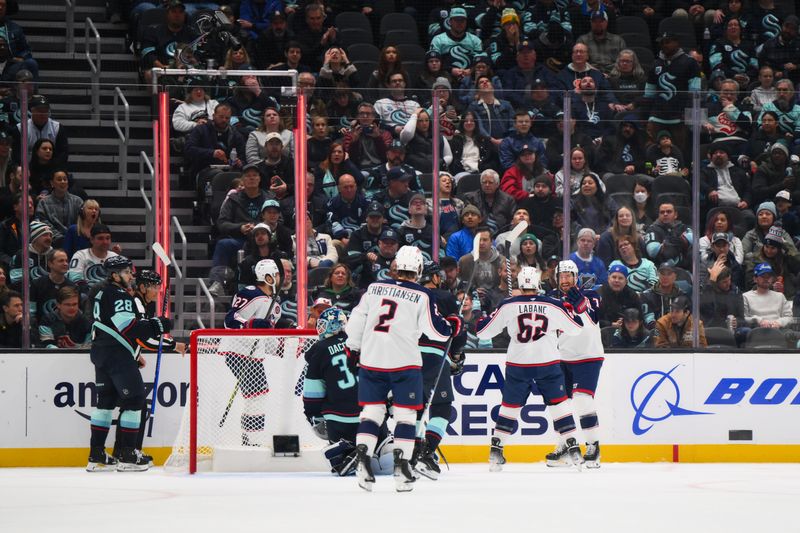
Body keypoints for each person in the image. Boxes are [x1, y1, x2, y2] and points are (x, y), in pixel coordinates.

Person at [345, 246, 454, 492]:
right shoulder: (421, 294)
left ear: (396, 266)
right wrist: (452, 326)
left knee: (372, 412)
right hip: (404, 363)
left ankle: (363, 459)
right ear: (418, 269)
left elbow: (356, 321)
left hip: (372, 359)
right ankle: (402, 468)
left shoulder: (373, 289)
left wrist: (352, 348)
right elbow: (436, 331)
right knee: (406, 415)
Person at [476, 266, 586, 472]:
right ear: (538, 284)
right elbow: (576, 328)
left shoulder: (508, 304)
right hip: (548, 362)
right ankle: (572, 447)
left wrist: (482, 314)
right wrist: (570, 310)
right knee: (558, 404)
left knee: (510, 405)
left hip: (518, 363)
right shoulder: (553, 304)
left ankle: (496, 449)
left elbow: (483, 332)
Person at [86, 256, 172, 472]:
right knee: (134, 400)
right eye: (126, 272)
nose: (131, 275)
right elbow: (130, 328)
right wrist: (157, 325)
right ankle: (128, 455)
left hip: (100, 352)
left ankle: (96, 455)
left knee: (105, 402)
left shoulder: (99, 292)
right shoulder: (119, 295)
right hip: (117, 354)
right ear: (115, 275)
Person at [303, 307, 392, 477]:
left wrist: (314, 417)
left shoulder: (319, 350)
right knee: (385, 451)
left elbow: (312, 394)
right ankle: (385, 449)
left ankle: (346, 453)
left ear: (331, 326)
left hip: (339, 420)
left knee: (336, 456)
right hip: (371, 416)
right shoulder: (365, 343)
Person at [546, 260, 604, 468]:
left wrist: (579, 303)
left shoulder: (591, 296)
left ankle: (593, 446)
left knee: (582, 399)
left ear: (576, 276)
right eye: (562, 276)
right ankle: (563, 446)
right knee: (559, 403)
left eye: (569, 276)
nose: (565, 280)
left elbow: (592, 318)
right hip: (561, 356)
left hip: (588, 355)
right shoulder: (550, 298)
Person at [413, 261, 467, 480]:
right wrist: (455, 354)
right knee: (442, 405)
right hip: (435, 355)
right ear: (434, 278)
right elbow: (458, 330)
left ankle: (411, 450)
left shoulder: (412, 294)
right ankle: (427, 452)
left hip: (408, 355)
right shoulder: (444, 297)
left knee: (414, 405)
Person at [220, 259, 283, 447]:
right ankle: (252, 438)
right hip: (237, 350)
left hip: (254, 355)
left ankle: (248, 437)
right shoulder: (250, 293)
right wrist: (250, 324)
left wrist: (283, 348)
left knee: (256, 394)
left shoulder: (274, 304)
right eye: (277, 274)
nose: (280, 278)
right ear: (268, 276)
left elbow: (266, 339)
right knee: (258, 394)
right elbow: (230, 319)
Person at [38, 285, 91, 349]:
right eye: (67, 304)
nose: (72, 308)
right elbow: (47, 345)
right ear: (58, 305)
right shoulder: (47, 320)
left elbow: (89, 346)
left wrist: (74, 347)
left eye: (74, 304)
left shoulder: (87, 322)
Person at [644, 202, 693, 270]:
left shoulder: (683, 227)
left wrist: (666, 244)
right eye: (662, 212)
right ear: (659, 215)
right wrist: (682, 241)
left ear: (675, 215)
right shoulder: (652, 229)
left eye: (669, 212)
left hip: (684, 270)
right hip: (661, 271)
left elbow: (693, 240)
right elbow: (653, 251)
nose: (665, 214)